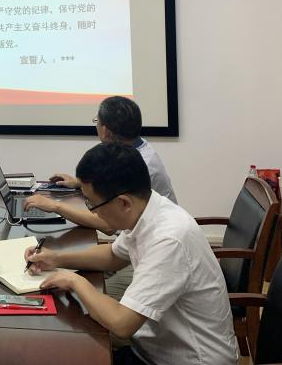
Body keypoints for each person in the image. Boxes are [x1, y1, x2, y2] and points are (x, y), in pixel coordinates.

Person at [25, 143, 237, 365]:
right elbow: (113, 256)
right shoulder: (146, 208)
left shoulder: (168, 239)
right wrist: (57, 258)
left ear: (123, 202)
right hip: (153, 347)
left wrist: (74, 281)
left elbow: (121, 323)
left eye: (92, 204)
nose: (91, 210)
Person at [24, 96, 177, 235]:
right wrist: (80, 184)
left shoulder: (136, 163)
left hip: (153, 239)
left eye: (97, 121)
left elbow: (108, 225)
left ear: (105, 131)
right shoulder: (133, 148)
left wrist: (55, 206)